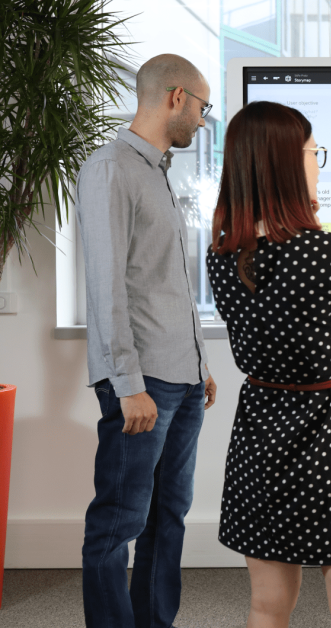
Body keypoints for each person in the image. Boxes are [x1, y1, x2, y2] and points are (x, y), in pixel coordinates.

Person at [206, 100, 331, 628]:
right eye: (313, 151)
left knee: (266, 604)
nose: (316, 162)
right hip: (326, 428)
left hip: (259, 426)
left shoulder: (221, 253)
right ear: (286, 163)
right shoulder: (325, 249)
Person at [76, 54, 218, 627]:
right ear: (176, 97)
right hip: (143, 385)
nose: (204, 122)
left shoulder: (157, 172)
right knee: (118, 522)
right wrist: (127, 384)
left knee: (169, 517)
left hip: (181, 380)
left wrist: (199, 362)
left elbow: (164, 283)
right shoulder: (111, 168)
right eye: (203, 109)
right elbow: (107, 285)